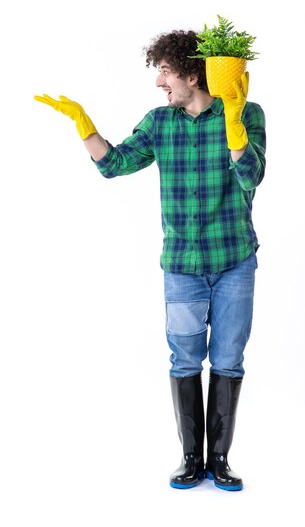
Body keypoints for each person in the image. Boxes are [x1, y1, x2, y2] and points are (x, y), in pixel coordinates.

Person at [34, 29, 266, 491]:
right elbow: (113, 164)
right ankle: (189, 458)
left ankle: (219, 460)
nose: (160, 83)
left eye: (165, 72)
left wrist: (235, 124)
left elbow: (251, 177)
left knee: (228, 359)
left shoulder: (246, 113)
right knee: (184, 360)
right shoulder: (160, 123)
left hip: (234, 260)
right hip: (181, 266)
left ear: (193, 74)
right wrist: (84, 124)